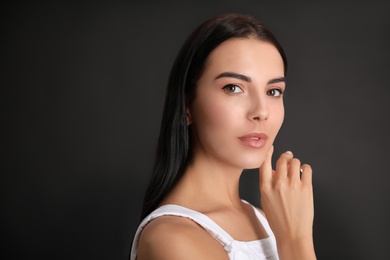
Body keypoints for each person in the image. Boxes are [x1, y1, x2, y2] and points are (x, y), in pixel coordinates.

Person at [130, 13, 316, 260]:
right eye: (233, 88)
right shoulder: (172, 238)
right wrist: (295, 239)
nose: (261, 111)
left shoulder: (265, 219)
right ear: (187, 106)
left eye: (273, 91)